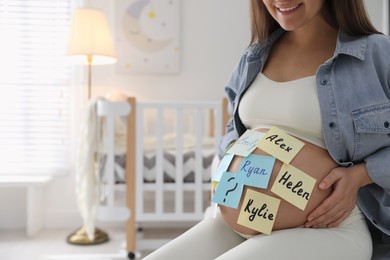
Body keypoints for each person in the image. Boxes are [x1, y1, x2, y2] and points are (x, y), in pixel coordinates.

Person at [143, 0, 390, 259]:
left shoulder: (375, 54)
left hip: (328, 227)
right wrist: (225, 166)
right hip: (232, 223)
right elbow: (233, 128)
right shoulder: (253, 57)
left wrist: (361, 175)